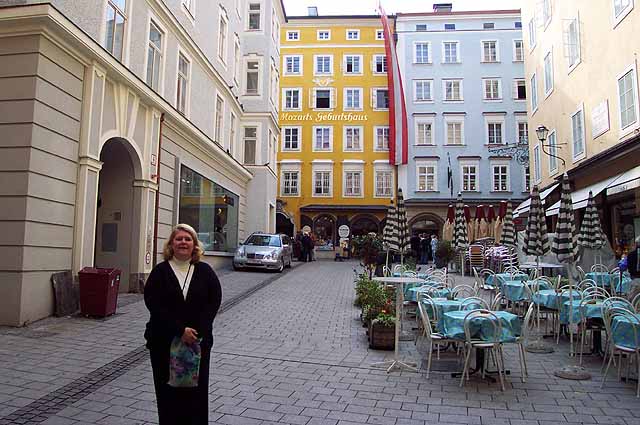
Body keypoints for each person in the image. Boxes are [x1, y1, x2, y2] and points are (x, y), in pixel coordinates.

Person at [144, 224, 223, 425]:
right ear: (171, 244)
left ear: (195, 245)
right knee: (167, 393)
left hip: (197, 343)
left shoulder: (204, 271)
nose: (183, 242)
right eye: (178, 239)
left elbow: (213, 301)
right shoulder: (160, 272)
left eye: (188, 239)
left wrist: (197, 332)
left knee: (196, 394)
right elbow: (154, 304)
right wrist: (180, 330)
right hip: (165, 343)